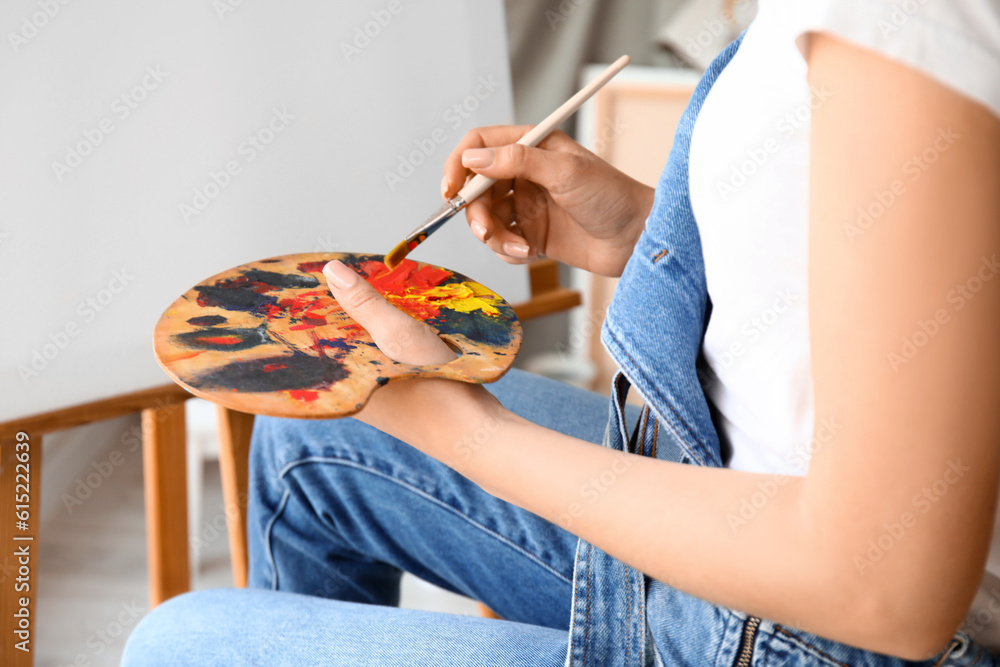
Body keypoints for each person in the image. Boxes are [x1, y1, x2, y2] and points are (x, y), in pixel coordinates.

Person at [123, 1, 1000, 664]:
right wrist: (648, 238)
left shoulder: (907, 23)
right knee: (308, 440)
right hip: (732, 493)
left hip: (797, 628)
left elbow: (887, 585)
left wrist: (467, 433)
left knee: (179, 642)